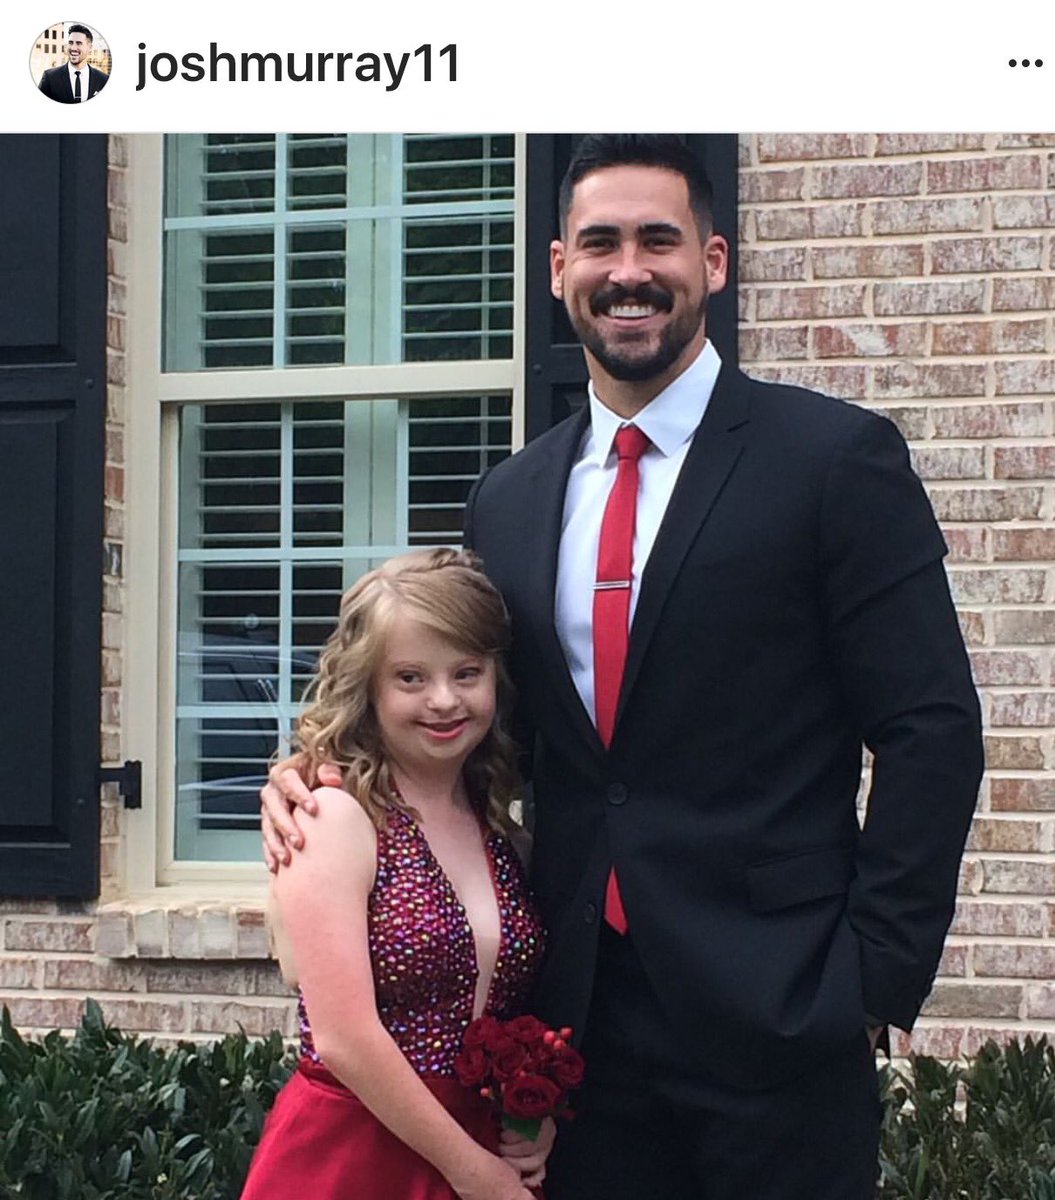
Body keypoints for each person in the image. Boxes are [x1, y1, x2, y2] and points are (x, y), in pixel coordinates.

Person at [262, 135, 984, 1199]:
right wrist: (315, 772)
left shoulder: (832, 462)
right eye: (599, 242)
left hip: (779, 1008)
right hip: (577, 1025)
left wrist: (870, 977)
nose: (628, 269)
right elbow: (461, 719)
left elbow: (931, 730)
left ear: (714, 262)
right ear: (557, 267)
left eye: (659, 239)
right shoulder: (507, 500)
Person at [244, 549, 551, 1200]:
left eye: (466, 673)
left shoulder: (500, 827)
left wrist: (532, 1115)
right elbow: (344, 1038)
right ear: (369, 688)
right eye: (410, 678)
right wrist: (476, 1176)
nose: (444, 700)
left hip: (478, 1140)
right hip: (353, 1151)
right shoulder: (332, 815)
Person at [37, 25, 109, 103]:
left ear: (90, 48)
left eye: (79, 43)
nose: (73, 48)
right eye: (70, 43)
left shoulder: (104, 80)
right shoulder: (49, 78)